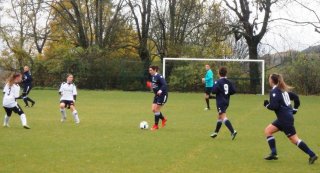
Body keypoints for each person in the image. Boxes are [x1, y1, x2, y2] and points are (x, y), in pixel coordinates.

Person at [263, 73, 317, 164]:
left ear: (272, 80)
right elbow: (296, 97)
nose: (269, 80)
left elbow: (274, 106)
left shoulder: (275, 91)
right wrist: (294, 109)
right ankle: (273, 153)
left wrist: (267, 105)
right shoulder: (282, 90)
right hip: (284, 118)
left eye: (269, 78)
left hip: (285, 119)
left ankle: (312, 154)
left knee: (294, 139)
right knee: (268, 130)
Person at [210, 67, 237, 140]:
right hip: (226, 101)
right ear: (226, 73)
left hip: (220, 102)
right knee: (219, 116)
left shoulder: (218, 82)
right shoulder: (228, 82)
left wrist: (214, 85)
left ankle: (233, 131)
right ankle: (216, 132)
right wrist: (226, 93)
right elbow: (234, 91)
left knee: (223, 116)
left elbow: (213, 91)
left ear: (219, 73)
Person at [148, 66, 168, 131]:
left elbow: (164, 84)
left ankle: (156, 126)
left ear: (155, 70)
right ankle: (163, 119)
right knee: (153, 109)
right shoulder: (153, 77)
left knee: (156, 110)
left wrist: (160, 90)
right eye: (149, 70)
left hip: (162, 95)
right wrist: (151, 85)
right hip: (157, 95)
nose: (149, 72)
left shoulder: (159, 76)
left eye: (151, 70)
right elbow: (155, 85)